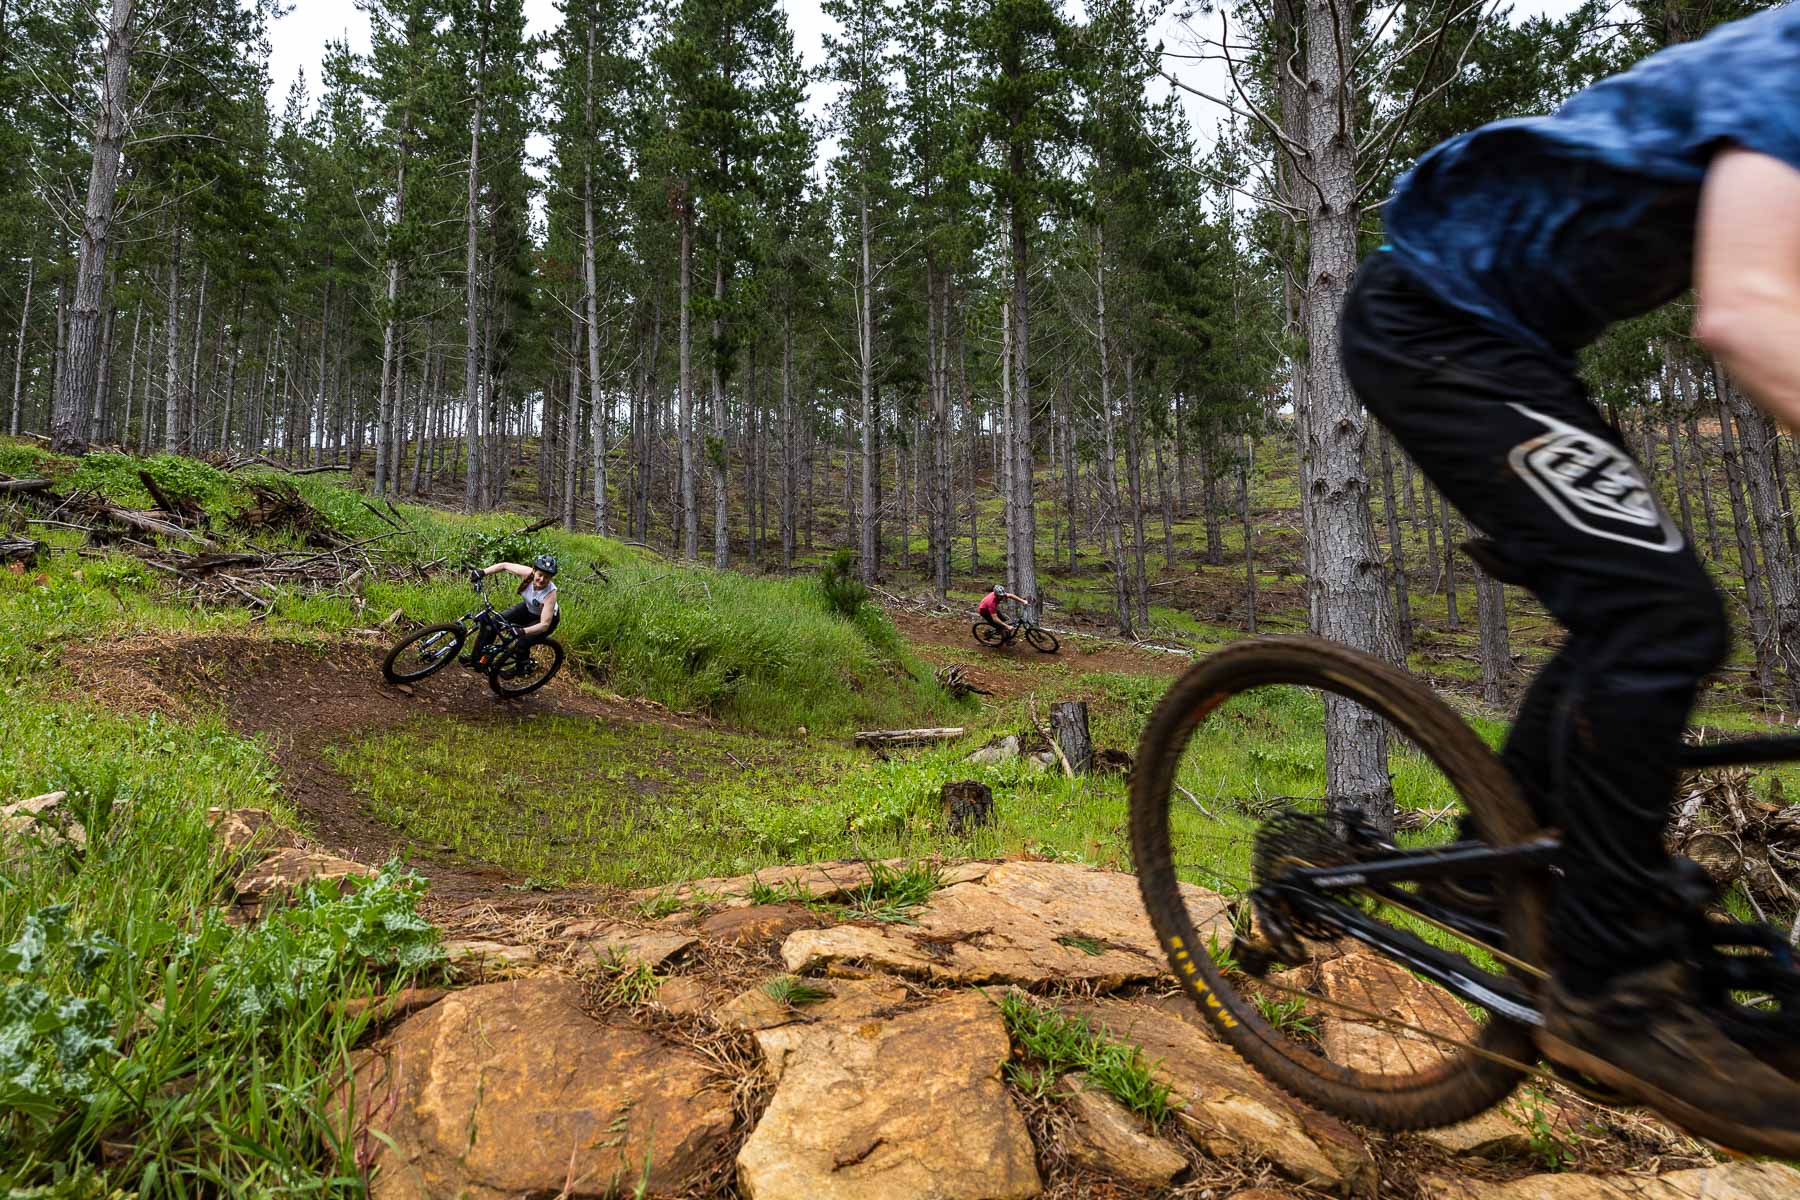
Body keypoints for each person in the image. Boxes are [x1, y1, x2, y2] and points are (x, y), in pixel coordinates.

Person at [1339, 9, 1800, 1154]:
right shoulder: (1791, 63)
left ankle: (1498, 870)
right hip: (1436, 330)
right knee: (1659, 617)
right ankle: (1608, 990)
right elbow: (1745, 311)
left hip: (1512, 351)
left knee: (1633, 610)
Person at [467, 554, 560, 670]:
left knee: (522, 642)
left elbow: (544, 625)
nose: (542, 580)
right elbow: (504, 565)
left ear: (550, 579)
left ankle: (522, 667)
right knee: (492, 623)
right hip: (528, 608)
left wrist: (522, 631)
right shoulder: (527, 574)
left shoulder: (550, 594)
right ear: (534, 571)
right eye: (540, 575)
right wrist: (482, 572)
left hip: (544, 620)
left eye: (546, 577)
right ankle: (477, 659)